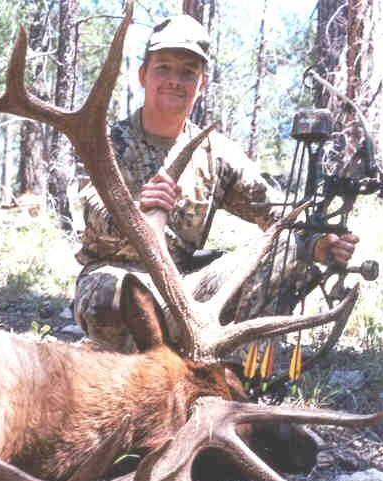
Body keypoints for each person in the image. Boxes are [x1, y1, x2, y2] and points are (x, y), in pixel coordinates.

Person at [73, 14, 358, 355]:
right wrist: (136, 210)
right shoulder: (108, 143)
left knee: (289, 251)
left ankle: (235, 373)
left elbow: (273, 210)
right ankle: (143, 371)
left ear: (202, 83)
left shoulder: (215, 152)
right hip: (118, 277)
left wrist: (318, 241)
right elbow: (91, 209)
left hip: (185, 287)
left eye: (188, 72)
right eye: (163, 67)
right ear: (143, 75)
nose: (174, 80)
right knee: (111, 294)